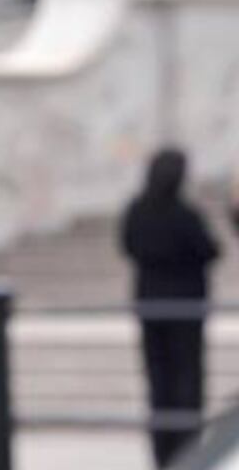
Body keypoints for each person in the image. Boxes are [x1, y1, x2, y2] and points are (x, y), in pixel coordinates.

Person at [121, 148, 219, 469]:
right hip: (185, 306)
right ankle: (186, 449)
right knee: (186, 379)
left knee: (159, 379)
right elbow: (209, 249)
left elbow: (128, 245)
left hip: (152, 305)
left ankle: (164, 450)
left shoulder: (137, 211)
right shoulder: (183, 215)